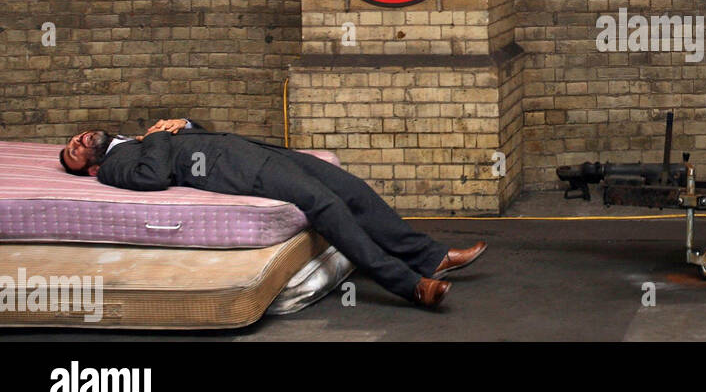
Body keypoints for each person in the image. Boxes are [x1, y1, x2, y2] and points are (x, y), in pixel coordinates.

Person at [58, 118, 484, 309]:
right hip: (238, 171)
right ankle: (411, 285)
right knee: (325, 206)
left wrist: (183, 123)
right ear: (91, 168)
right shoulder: (114, 167)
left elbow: (195, 138)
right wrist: (156, 136)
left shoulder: (135, 138)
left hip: (255, 152)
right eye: (73, 153)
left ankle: (430, 256)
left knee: (350, 187)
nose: (77, 142)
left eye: (74, 139)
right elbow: (153, 177)